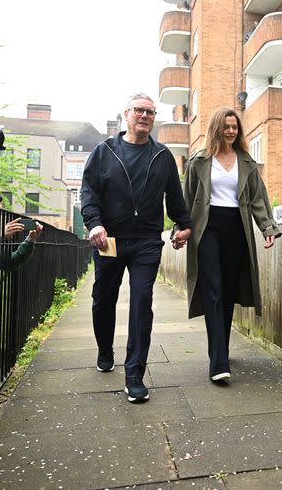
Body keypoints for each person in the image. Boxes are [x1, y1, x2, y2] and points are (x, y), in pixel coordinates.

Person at [80, 93, 192, 403]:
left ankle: (135, 375)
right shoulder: (104, 152)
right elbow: (88, 193)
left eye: (150, 112)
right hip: (109, 239)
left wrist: (184, 225)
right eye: (139, 110)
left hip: (146, 241)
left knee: (142, 301)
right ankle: (105, 348)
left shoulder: (163, 156)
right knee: (104, 298)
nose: (144, 116)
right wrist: (95, 224)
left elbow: (175, 196)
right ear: (126, 114)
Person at [182, 107, 281, 383]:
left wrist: (267, 228)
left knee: (227, 292)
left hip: (237, 228)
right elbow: (186, 199)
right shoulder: (200, 160)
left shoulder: (245, 161)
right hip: (208, 228)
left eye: (235, 127)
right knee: (212, 289)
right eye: (226, 126)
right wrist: (182, 229)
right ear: (216, 128)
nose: (231, 131)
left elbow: (258, 198)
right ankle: (218, 362)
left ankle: (220, 351)